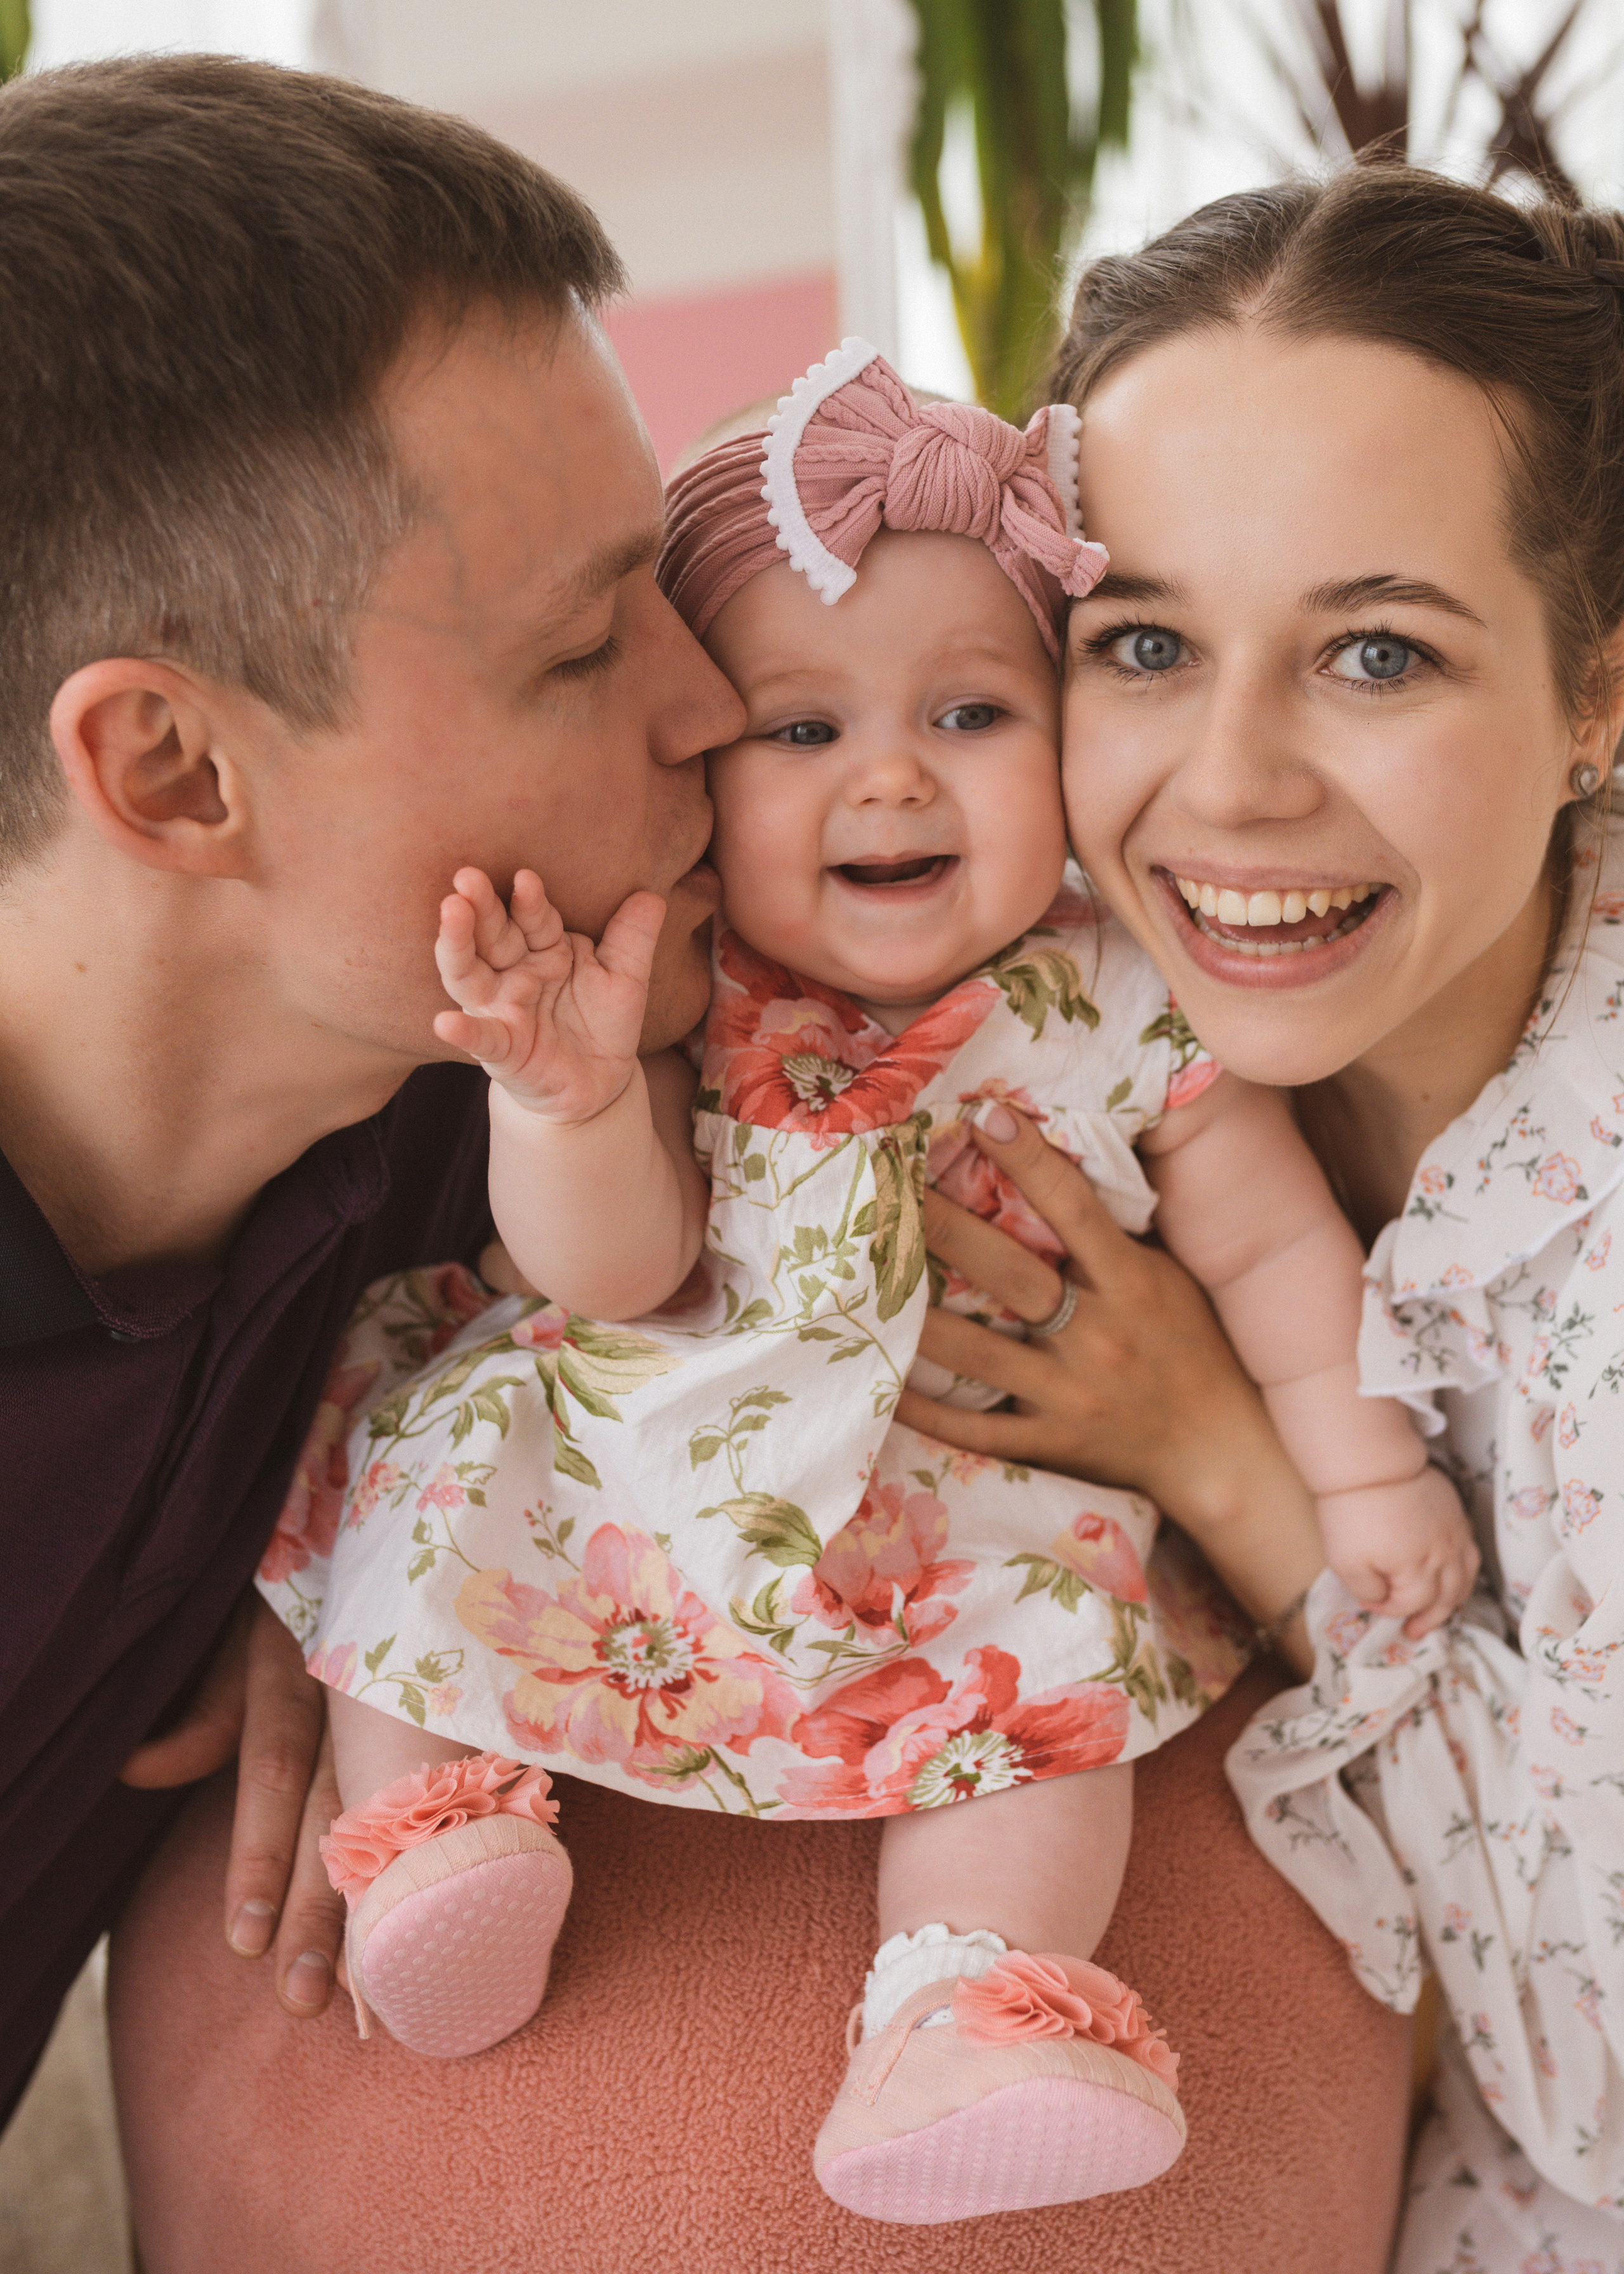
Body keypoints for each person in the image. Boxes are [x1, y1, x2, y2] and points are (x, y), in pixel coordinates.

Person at [258, 342, 1473, 2225]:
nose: (891, 775)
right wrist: (566, 1097)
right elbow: (625, 1268)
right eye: (800, 732)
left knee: (1058, 1691)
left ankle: (961, 2002)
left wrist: (1365, 1476)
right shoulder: (686, 981)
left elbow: (1270, 1247)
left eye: (974, 716)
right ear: (698, 769)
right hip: (637, 1463)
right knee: (434, 1478)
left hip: (965, 1515)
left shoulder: (1119, 995)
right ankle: (434, 1841)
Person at [0, 51, 743, 2125]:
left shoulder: (465, 1093)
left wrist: (345, 1558)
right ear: (173, 771)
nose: (718, 699)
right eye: (583, 649)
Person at [894, 163, 1624, 2270]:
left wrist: (1224, 1449)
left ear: (1598, 692)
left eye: (1374, 652)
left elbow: (1598, 2066)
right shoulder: (1033, 954)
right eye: (1142, 641)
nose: (1225, 782)